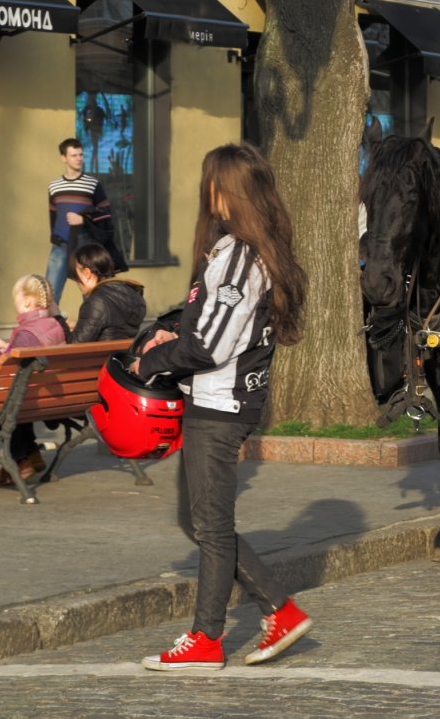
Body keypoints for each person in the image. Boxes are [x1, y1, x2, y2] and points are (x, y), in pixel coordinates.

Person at [133, 143, 311, 671]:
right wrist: (173, 326)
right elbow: (207, 324)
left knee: (209, 527)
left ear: (226, 190)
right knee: (201, 520)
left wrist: (153, 361)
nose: (203, 192)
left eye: (210, 181)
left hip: (218, 403)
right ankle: (279, 610)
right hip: (219, 401)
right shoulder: (245, 250)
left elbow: (209, 345)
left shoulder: (239, 255)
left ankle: (207, 638)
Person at [0, 275, 69, 483]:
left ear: (27, 301)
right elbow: (30, 356)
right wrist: (8, 348)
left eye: (16, 297)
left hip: (24, 398)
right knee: (15, 399)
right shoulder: (53, 325)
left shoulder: (26, 333)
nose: (13, 302)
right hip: (46, 397)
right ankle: (29, 456)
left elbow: (6, 369)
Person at [46, 138, 125, 304]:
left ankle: (93, 329)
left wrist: (82, 219)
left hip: (85, 245)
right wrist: (54, 235)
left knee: (92, 296)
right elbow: (53, 214)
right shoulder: (54, 186)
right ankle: (50, 329)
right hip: (60, 246)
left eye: (81, 154)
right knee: (50, 295)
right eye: (74, 155)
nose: (79, 158)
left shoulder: (92, 184)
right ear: (64, 158)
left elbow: (106, 213)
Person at [68, 243, 146, 342]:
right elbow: (113, 328)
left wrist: (60, 321)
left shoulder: (96, 301)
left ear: (87, 273)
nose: (76, 282)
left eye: (75, 275)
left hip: (102, 357)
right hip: (124, 355)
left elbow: (75, 344)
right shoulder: (132, 292)